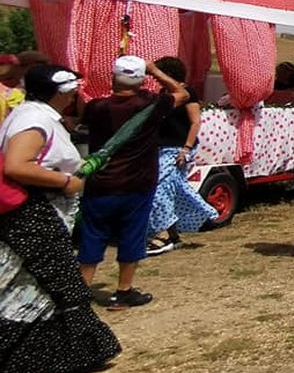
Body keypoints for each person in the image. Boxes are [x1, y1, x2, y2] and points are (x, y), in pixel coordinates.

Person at [0, 65, 122, 373]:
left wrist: (82, 167)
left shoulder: (36, 116)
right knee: (35, 289)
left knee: (44, 292)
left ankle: (57, 356)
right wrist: (67, 181)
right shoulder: (34, 120)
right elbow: (17, 164)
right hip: (33, 217)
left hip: (40, 216)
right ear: (62, 92)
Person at [78, 56, 189, 309]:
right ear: (141, 80)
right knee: (131, 234)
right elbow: (181, 93)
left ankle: (80, 294)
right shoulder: (151, 104)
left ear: (113, 78)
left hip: (101, 182)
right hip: (137, 182)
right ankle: (123, 291)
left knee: (93, 235)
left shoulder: (96, 107)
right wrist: (155, 71)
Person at [144, 57, 217, 256]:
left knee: (160, 189)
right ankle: (172, 235)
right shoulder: (164, 94)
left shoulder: (188, 93)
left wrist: (186, 148)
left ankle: (163, 234)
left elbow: (195, 122)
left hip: (178, 149)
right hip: (162, 147)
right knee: (170, 191)